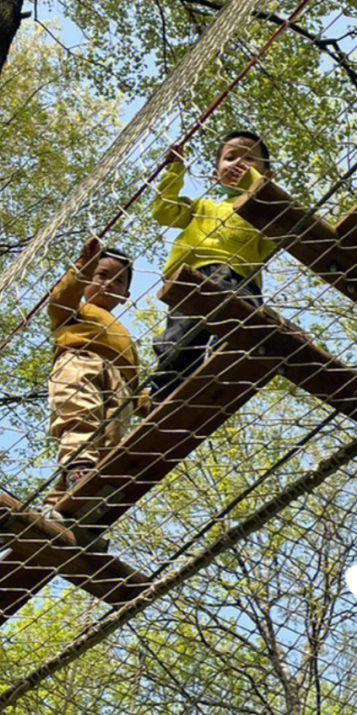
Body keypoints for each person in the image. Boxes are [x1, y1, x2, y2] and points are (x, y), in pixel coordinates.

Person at [149, 130, 278, 400]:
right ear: (215, 174)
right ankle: (164, 398)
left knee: (238, 333)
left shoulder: (265, 210)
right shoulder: (203, 206)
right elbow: (164, 211)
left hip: (240, 279)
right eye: (230, 158)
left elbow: (278, 234)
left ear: (267, 175)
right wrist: (174, 170)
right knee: (178, 343)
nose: (238, 164)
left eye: (249, 159)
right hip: (192, 278)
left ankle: (225, 377)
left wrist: (255, 185)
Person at [45, 237, 144, 516]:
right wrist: (83, 268)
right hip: (81, 361)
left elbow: (137, 383)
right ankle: (78, 471)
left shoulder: (125, 335)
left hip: (121, 386)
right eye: (102, 275)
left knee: (110, 443)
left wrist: (148, 401)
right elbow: (59, 298)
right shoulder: (76, 310)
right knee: (80, 415)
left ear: (125, 294)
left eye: (119, 281)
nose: (109, 283)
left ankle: (68, 507)